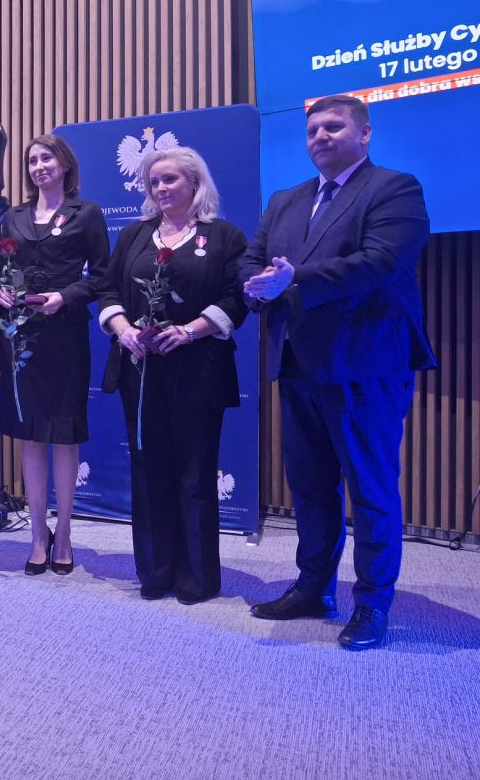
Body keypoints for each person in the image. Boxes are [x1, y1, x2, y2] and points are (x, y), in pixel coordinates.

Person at [241, 94, 435, 651]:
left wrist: (291, 280)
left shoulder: (394, 188)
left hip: (363, 363)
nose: (320, 137)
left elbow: (380, 263)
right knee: (309, 487)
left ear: (364, 134)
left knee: (370, 489)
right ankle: (313, 588)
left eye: (333, 126)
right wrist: (258, 287)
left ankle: (373, 602)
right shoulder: (285, 200)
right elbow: (252, 261)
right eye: (312, 130)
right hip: (297, 364)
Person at [97, 147, 248, 605]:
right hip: (141, 373)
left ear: (194, 183)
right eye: (154, 182)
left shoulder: (224, 236)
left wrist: (189, 331)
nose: (160, 188)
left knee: (195, 475)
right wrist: (123, 330)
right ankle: (155, 571)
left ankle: (196, 578)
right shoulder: (134, 235)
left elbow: (236, 298)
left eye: (170, 180)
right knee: (148, 472)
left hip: (199, 371)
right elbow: (107, 288)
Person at [0, 136, 109, 575]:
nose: (39, 165)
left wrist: (65, 296)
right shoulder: (13, 216)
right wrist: (3, 293)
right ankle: (37, 535)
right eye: (32, 160)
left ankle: (63, 533)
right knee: (30, 436)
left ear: (64, 164)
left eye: (46, 158)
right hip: (22, 338)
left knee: (64, 436)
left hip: (65, 335)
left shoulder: (87, 212)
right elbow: (2, 276)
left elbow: (102, 277)